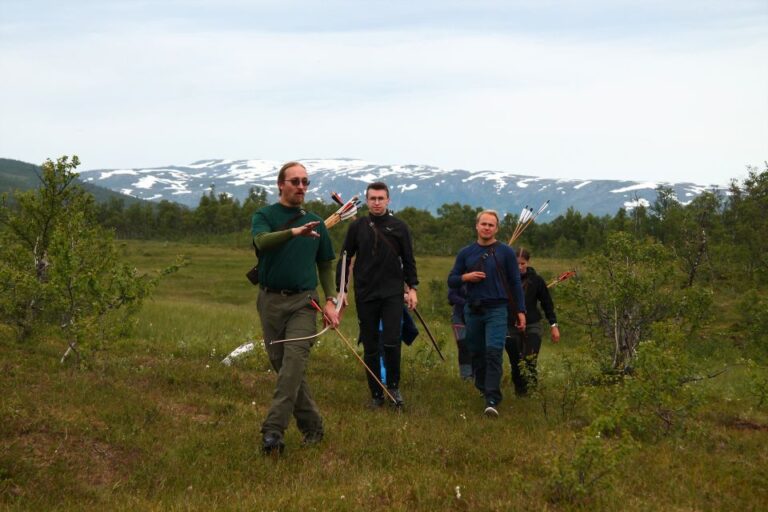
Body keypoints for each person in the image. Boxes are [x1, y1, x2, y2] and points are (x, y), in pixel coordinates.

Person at [252, 161, 339, 455]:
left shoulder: (316, 222)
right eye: (295, 182)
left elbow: (325, 265)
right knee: (283, 366)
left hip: (304, 303)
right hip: (270, 301)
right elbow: (261, 242)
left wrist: (331, 301)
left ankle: (272, 432)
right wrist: (294, 233)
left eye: (305, 182)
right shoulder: (264, 215)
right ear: (281, 184)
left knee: (293, 364)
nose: (301, 187)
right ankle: (313, 426)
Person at [337, 182, 419, 409]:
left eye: (380, 198)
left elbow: (409, 261)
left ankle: (393, 388)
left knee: (392, 342)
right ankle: (376, 393)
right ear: (367, 200)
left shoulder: (400, 227)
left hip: (392, 293)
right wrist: (341, 290)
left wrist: (412, 288)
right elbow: (344, 258)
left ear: (388, 200)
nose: (376, 202)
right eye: (372, 198)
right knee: (371, 345)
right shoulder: (358, 227)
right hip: (365, 293)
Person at [447, 210, 526, 418]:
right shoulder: (466, 253)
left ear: (497, 228)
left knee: (494, 352)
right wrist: (467, 277)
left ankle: (492, 399)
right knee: (476, 352)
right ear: (477, 226)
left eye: (491, 225)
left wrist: (520, 311)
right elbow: (452, 280)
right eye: (484, 224)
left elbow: (516, 283)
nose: (487, 228)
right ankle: (483, 387)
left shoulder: (506, 252)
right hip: (472, 310)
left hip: (497, 310)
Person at [505, 248, 560, 396]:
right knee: (516, 361)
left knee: (530, 359)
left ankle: (532, 391)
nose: (519, 267)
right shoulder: (505, 279)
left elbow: (547, 304)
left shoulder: (537, 280)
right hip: (511, 325)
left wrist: (553, 325)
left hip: (532, 324)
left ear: (528, 263)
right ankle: (520, 392)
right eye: (516, 263)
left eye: (522, 263)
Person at [448, 285, 473, 380]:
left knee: (477, 346)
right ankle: (466, 376)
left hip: (478, 315)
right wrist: (467, 303)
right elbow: (451, 296)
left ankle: (477, 374)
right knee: (463, 345)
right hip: (459, 316)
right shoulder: (458, 273)